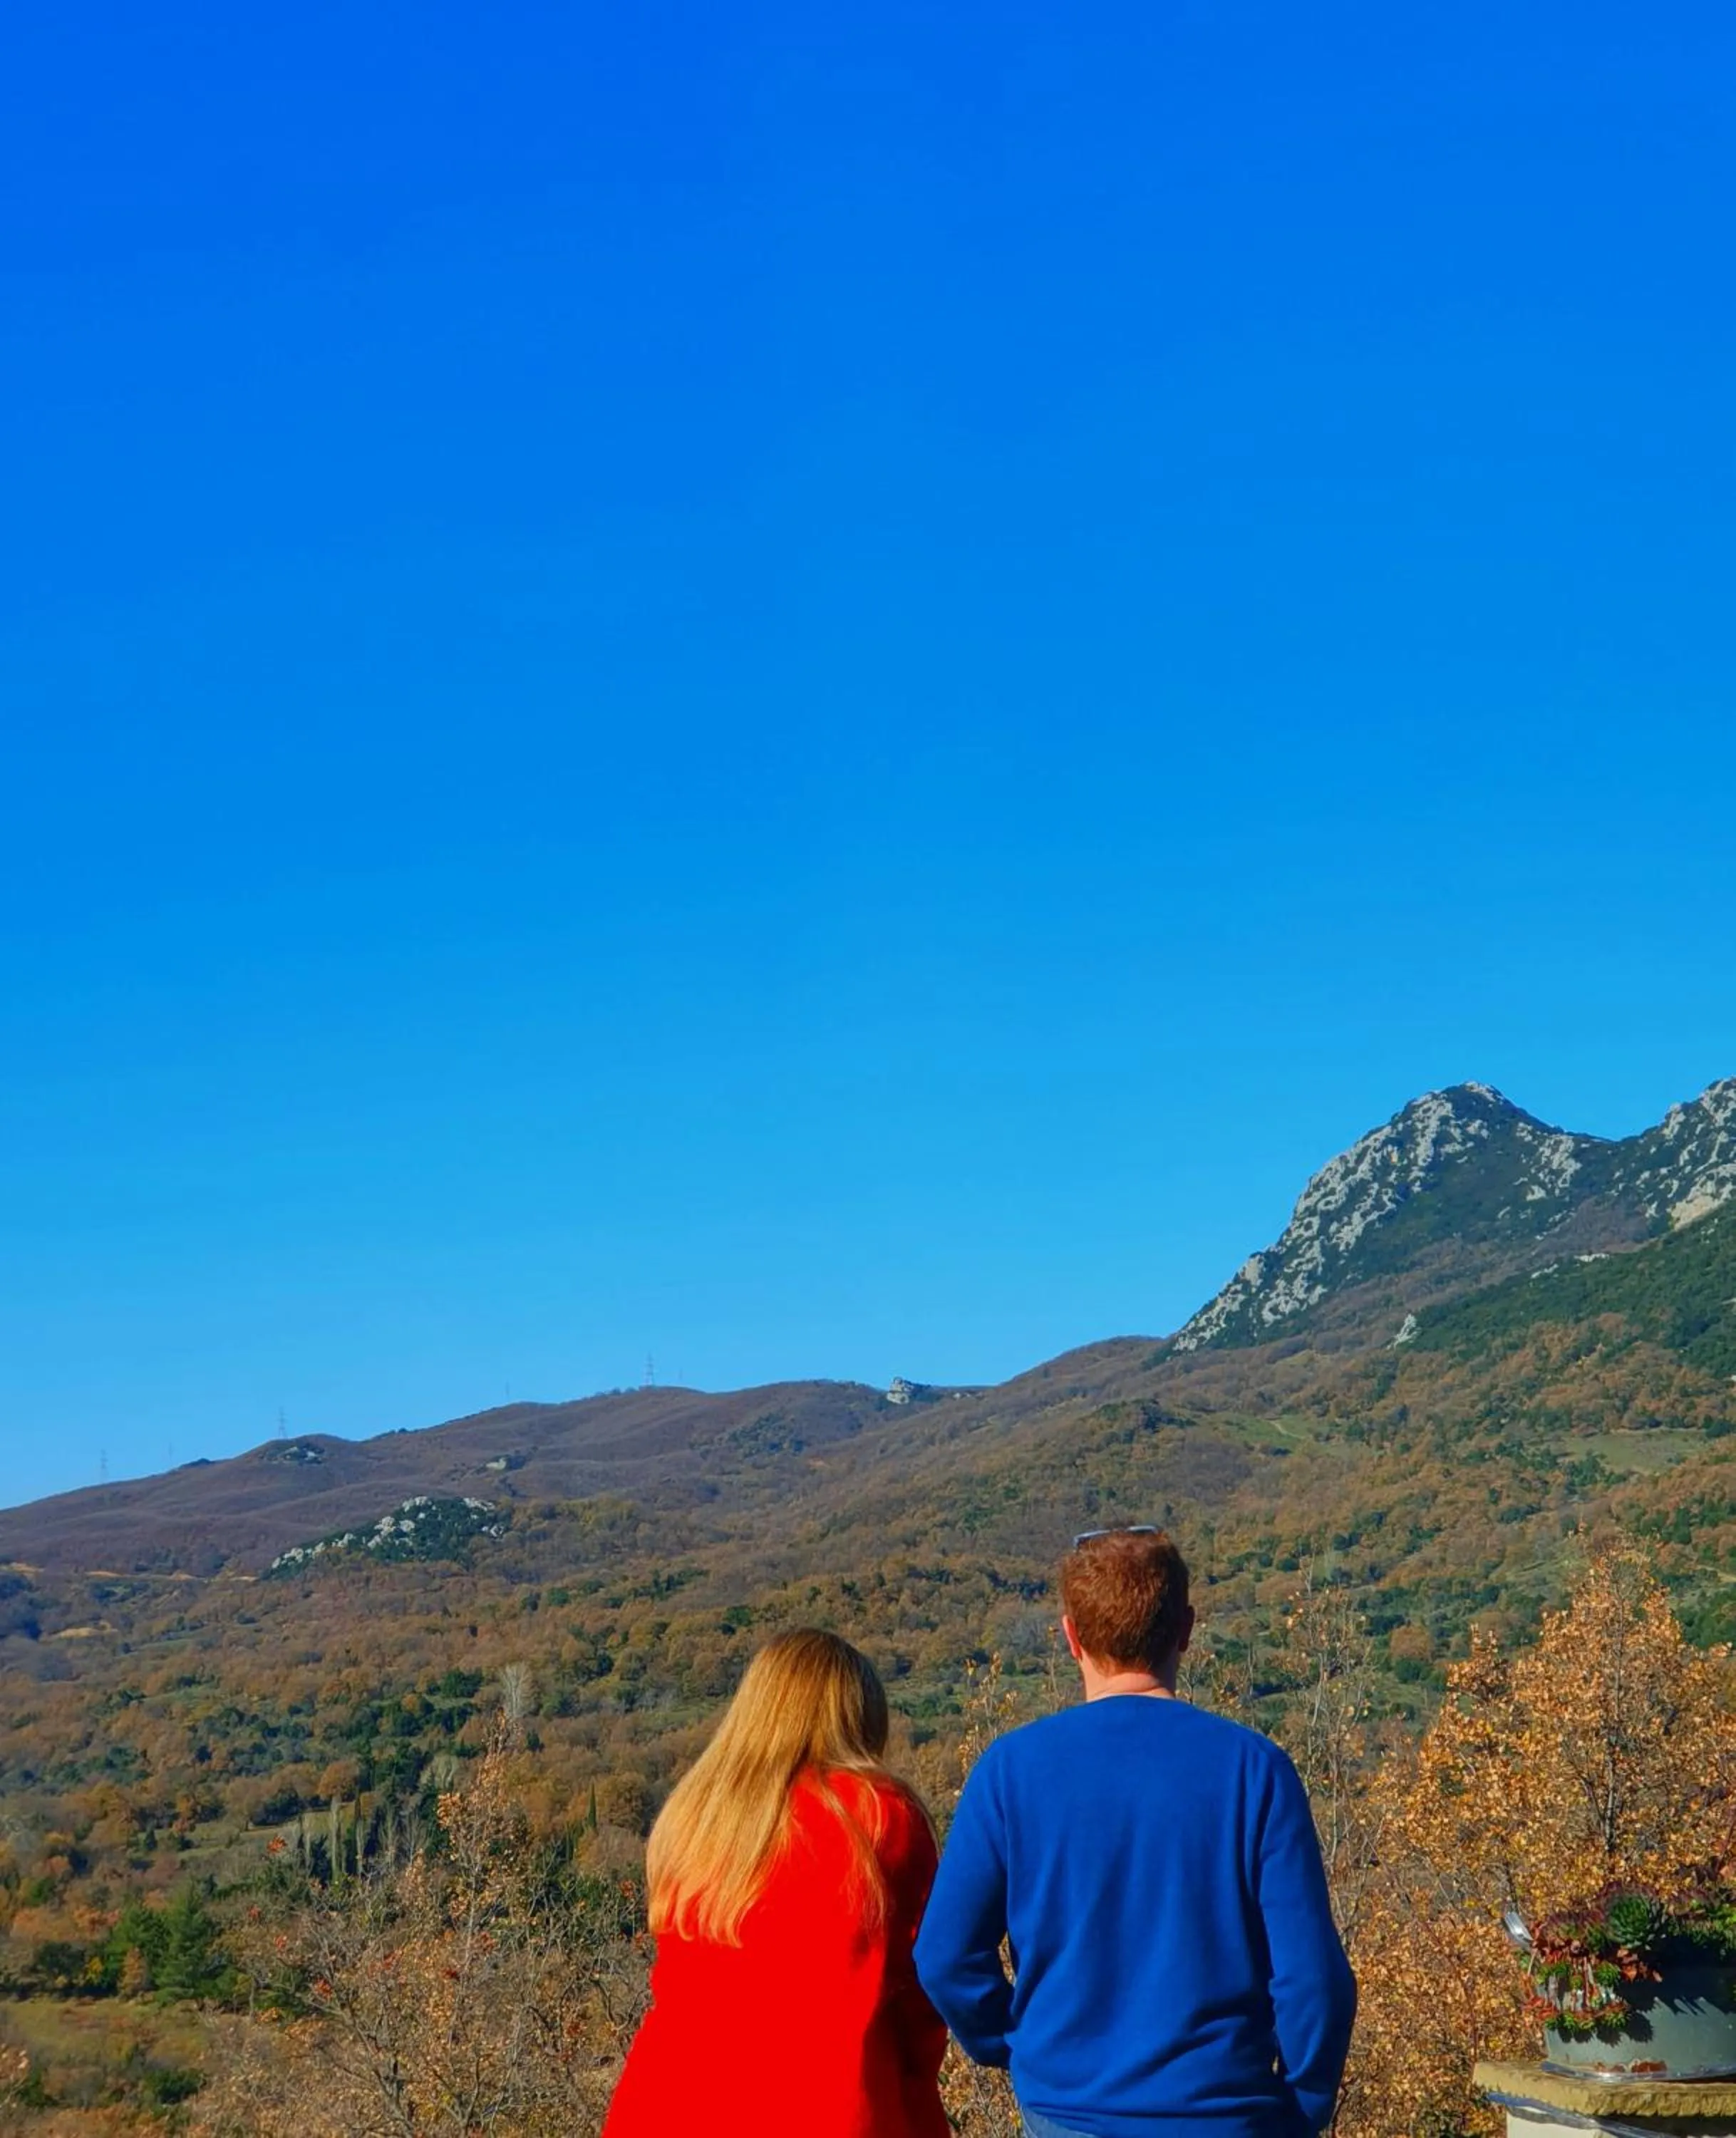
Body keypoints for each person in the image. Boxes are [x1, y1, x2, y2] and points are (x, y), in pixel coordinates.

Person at [915, 1527, 1356, 2138]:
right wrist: (1302, 2107)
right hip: (1223, 2112)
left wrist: (1015, 2045)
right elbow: (1312, 1977)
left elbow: (943, 1955)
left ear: (1071, 1636)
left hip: (1066, 2111)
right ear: (1186, 1630)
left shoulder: (1011, 1771)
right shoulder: (1255, 1771)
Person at [602, 1627, 949, 2138]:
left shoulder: (692, 1816)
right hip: (828, 2108)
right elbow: (924, 1992)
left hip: (665, 2105)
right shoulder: (878, 1819)